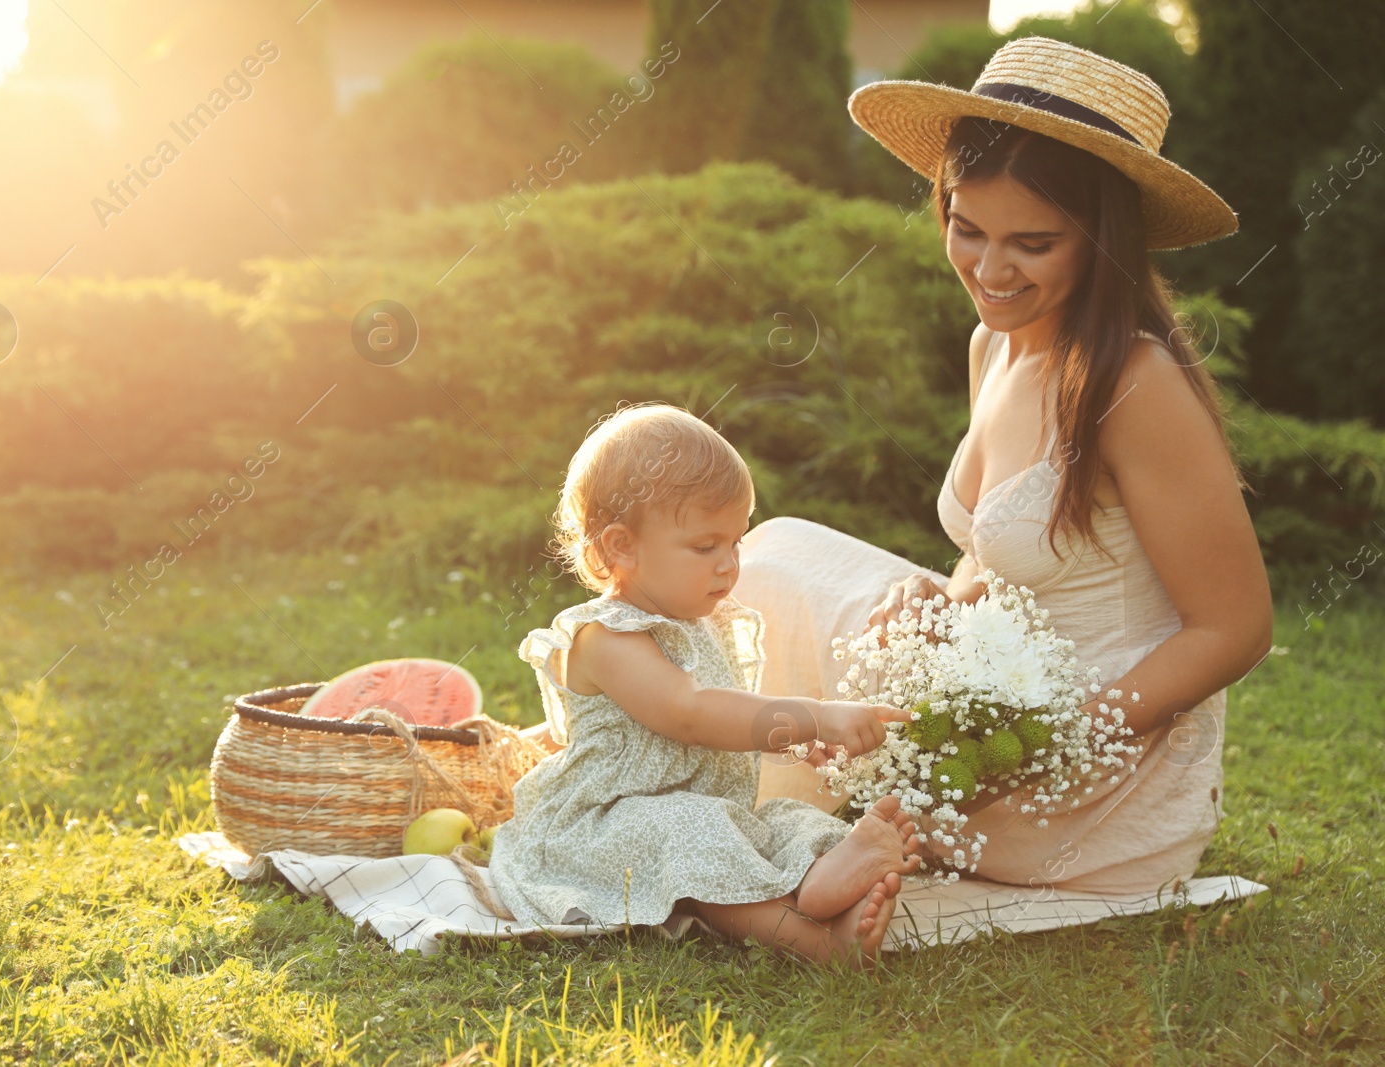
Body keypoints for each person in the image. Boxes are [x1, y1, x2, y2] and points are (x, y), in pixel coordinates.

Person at [734, 38, 1273, 894]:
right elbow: (1003, 555)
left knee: (777, 573)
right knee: (769, 557)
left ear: (1102, 242)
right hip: (985, 720)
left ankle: (755, 821)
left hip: (1092, 776)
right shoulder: (998, 344)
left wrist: (1059, 739)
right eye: (966, 227)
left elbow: (1235, 627)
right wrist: (944, 600)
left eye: (1032, 243)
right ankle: (705, 804)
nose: (989, 269)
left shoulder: (1137, 384)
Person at [490, 403, 922, 966]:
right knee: (693, 833)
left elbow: (730, 712)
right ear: (621, 546)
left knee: (780, 823)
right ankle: (819, 944)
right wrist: (812, 714)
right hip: (603, 828)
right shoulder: (605, 637)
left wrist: (791, 737)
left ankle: (828, 885)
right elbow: (689, 712)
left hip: (710, 809)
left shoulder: (704, 622)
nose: (729, 565)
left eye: (736, 542)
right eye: (705, 546)